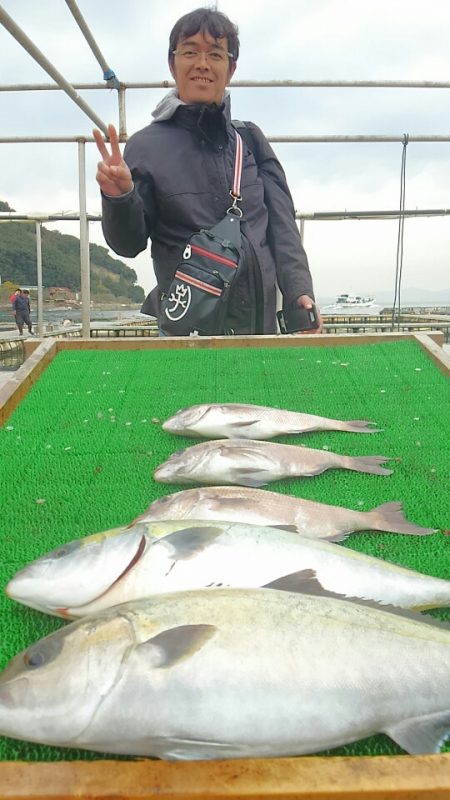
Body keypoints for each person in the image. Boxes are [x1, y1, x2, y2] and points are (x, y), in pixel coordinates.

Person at [94, 7, 321, 336]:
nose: (202, 63)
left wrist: (300, 292)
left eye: (215, 53)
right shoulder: (144, 146)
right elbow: (128, 244)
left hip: (258, 331)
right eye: (190, 52)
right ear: (173, 64)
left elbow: (283, 229)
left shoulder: (251, 140)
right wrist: (119, 197)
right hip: (185, 337)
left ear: (230, 69)